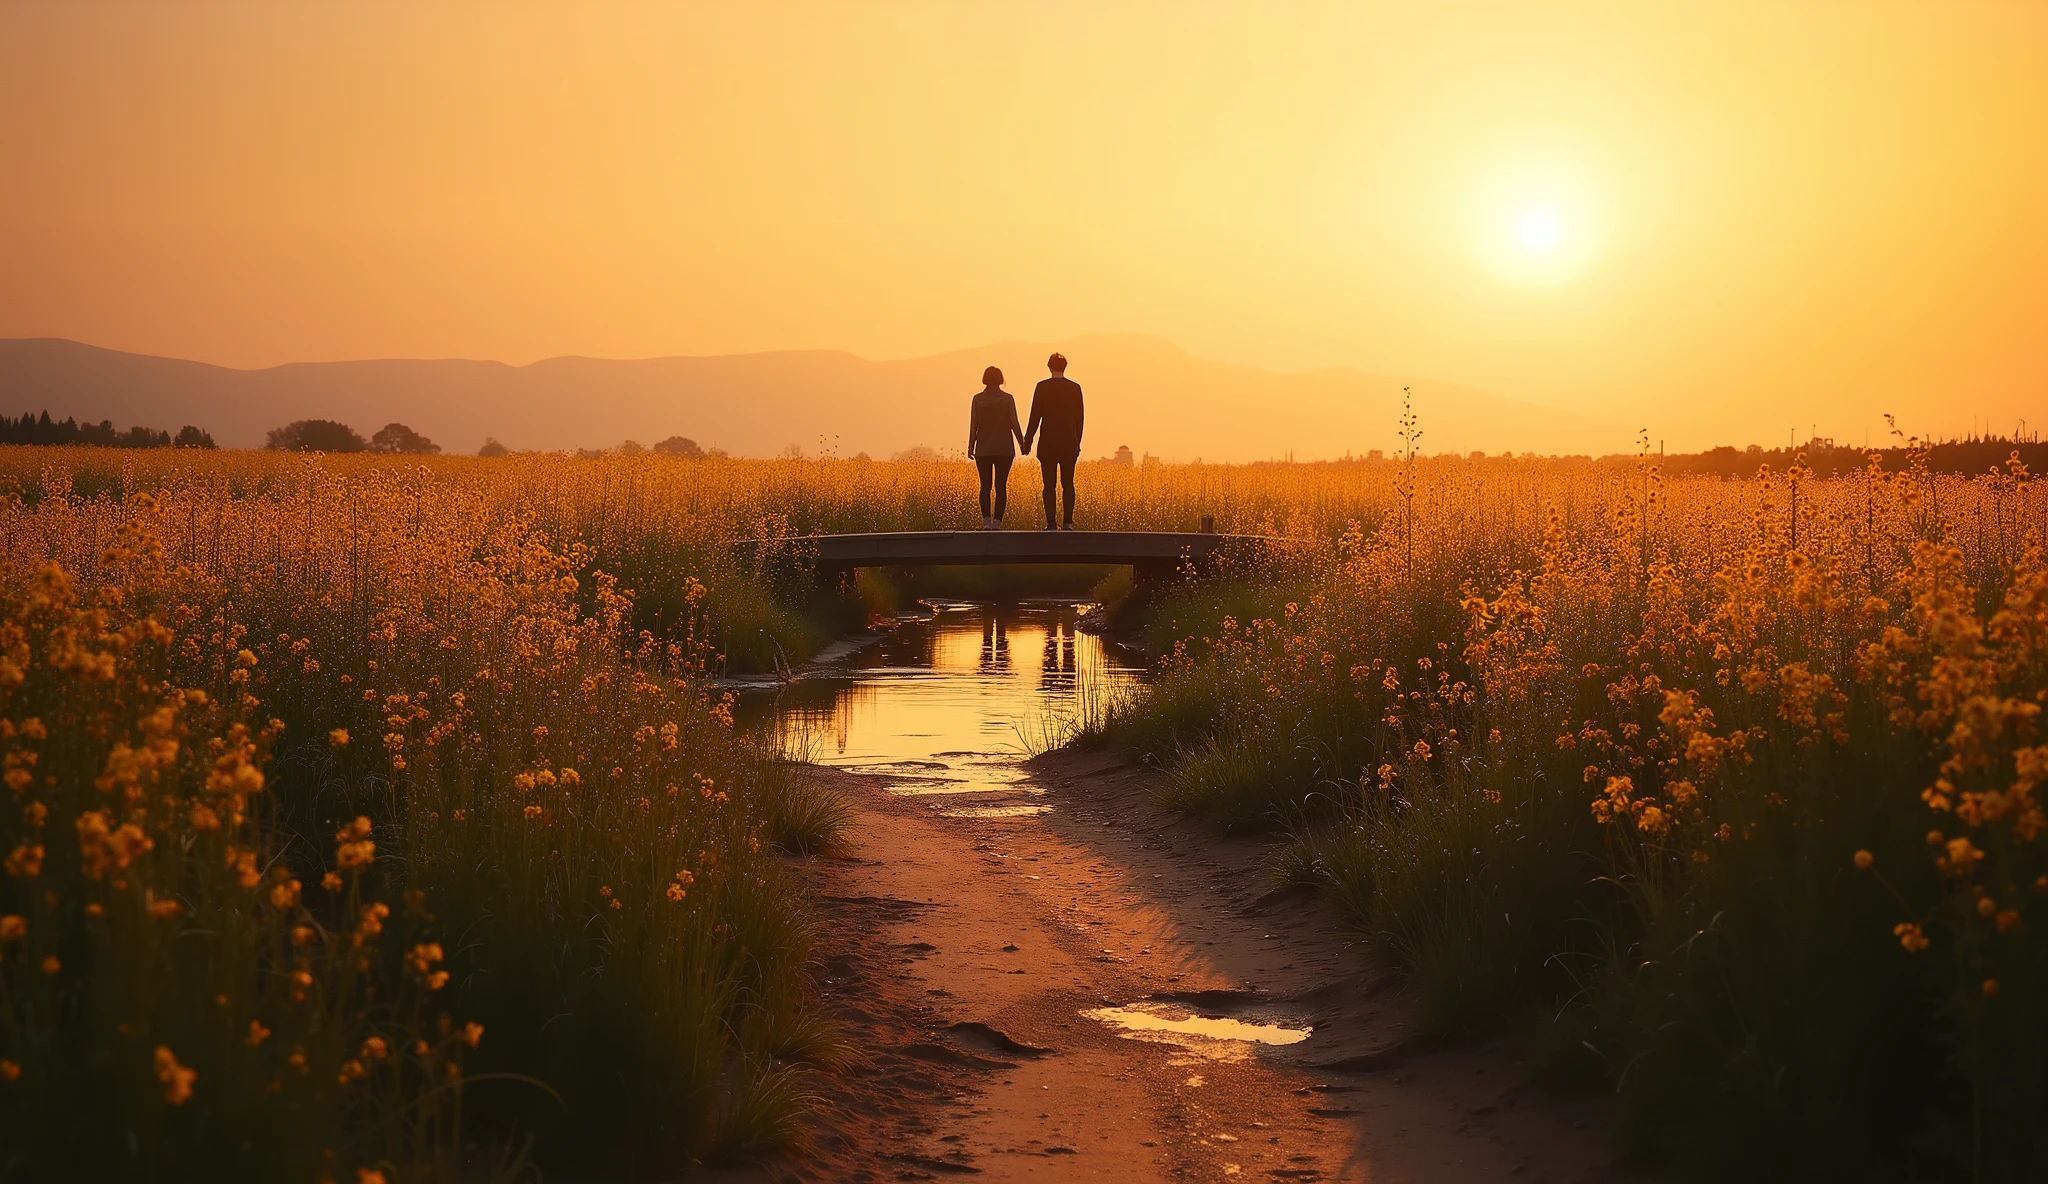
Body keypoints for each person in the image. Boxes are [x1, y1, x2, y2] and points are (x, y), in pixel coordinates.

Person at [1023, 353, 1084, 530]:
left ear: (1049, 367)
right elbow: (1079, 419)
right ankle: (1068, 522)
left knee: (1048, 484)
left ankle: (1050, 522)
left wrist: (1028, 441)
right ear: (1065, 367)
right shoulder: (1075, 388)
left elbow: (1035, 417)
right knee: (1068, 484)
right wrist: (1077, 442)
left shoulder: (1042, 387)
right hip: (1069, 442)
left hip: (1048, 443)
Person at [966, 365, 1027, 530]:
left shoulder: (978, 399)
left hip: (983, 449)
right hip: (1004, 449)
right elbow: (1014, 422)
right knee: (1001, 485)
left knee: (985, 486)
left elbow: (974, 424)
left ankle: (986, 521)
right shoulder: (1007, 399)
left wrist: (971, 446)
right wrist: (1022, 444)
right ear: (1000, 380)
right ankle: (998, 522)